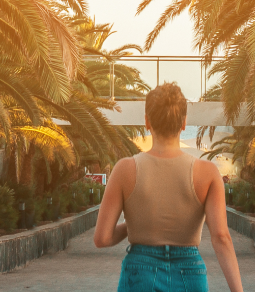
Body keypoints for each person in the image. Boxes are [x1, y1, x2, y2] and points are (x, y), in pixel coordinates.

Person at [95, 83, 244, 292]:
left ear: (147, 122)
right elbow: (221, 237)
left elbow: (102, 238)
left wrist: (137, 225)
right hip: (189, 273)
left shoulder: (125, 169)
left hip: (140, 273)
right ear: (184, 123)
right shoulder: (208, 173)